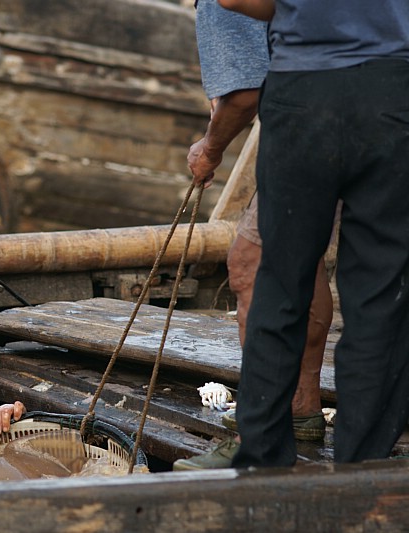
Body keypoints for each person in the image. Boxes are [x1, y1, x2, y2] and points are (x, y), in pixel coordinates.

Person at [218, 0, 409, 466]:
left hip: (303, 88)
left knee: (282, 284)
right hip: (394, 90)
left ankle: (261, 462)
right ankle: (362, 470)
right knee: (381, 297)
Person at [172, 0, 333, 471]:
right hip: (358, 116)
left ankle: (261, 428)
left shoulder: (222, 3)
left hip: (313, 128)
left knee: (250, 266)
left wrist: (211, 148)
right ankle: (301, 408)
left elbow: (245, 93)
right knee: (308, 262)